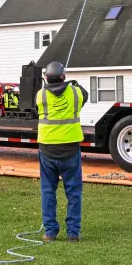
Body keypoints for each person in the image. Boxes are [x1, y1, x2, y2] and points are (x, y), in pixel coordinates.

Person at [36, 61, 88, 242]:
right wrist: (73, 84)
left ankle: (50, 232)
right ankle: (73, 233)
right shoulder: (75, 93)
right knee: (73, 192)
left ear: (45, 77)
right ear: (63, 76)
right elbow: (85, 94)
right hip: (70, 149)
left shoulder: (40, 95)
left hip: (47, 148)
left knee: (48, 191)